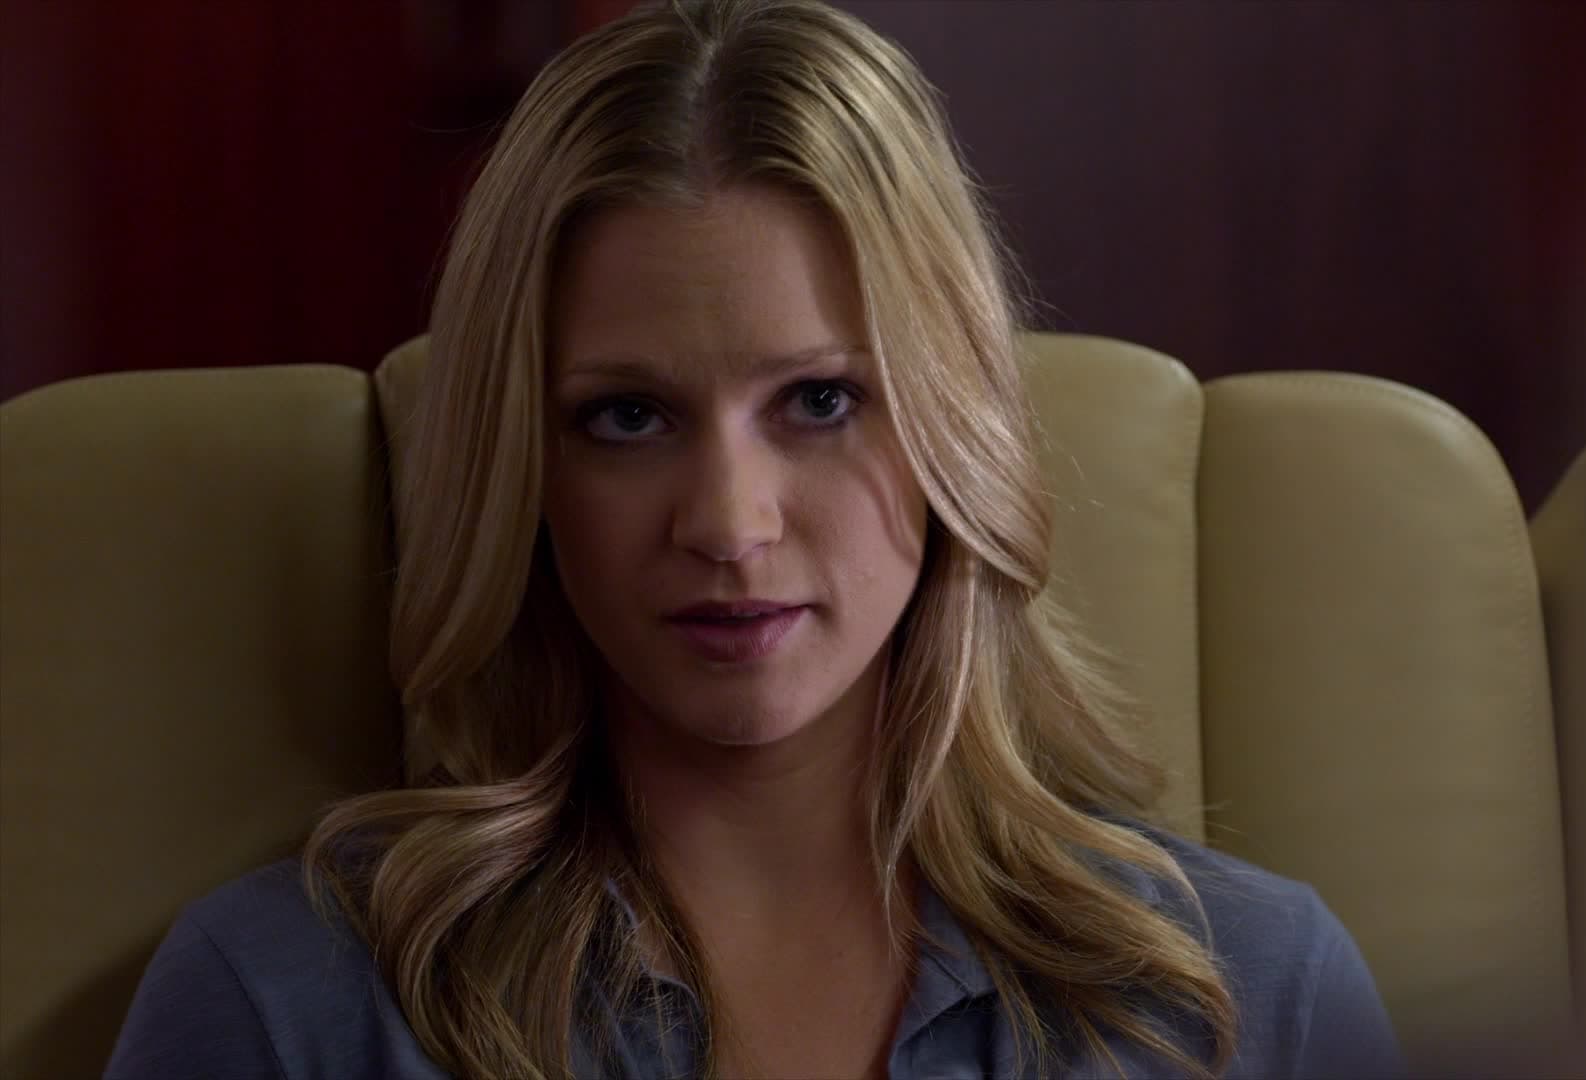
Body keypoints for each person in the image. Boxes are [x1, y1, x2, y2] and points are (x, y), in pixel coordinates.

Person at [105, 1, 1401, 1076]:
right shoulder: (289, 1005)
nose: (730, 524)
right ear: (524, 470)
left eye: (820, 401)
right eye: (627, 416)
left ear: (952, 428)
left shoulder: (1253, 997)